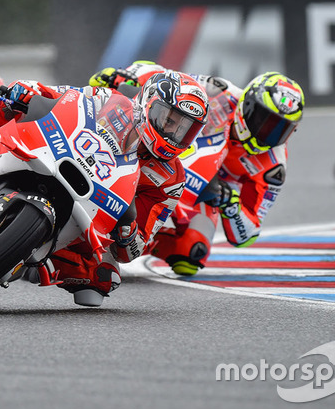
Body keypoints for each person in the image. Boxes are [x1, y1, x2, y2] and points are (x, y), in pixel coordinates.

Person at [0, 70, 209, 306]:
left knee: (103, 280)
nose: (173, 134)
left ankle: (22, 259)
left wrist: (127, 233)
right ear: (149, 103)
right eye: (169, 120)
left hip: (91, 212)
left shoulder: (171, 179)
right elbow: (64, 95)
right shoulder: (111, 101)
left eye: (184, 130)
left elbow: (136, 247)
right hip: (51, 154)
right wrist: (25, 91)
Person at [91, 62, 305, 276]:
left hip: (205, 192)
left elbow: (246, 235)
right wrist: (124, 77)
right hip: (164, 153)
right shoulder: (218, 91)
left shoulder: (274, 165)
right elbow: (168, 80)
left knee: (192, 253)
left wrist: (231, 205)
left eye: (280, 129)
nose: (266, 133)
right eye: (263, 119)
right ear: (247, 103)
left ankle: (138, 240)